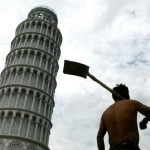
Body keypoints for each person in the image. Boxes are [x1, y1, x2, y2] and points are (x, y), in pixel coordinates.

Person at [97, 84, 150, 150]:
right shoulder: (132, 103)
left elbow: (99, 137)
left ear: (113, 97)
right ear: (127, 94)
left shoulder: (105, 113)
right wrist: (145, 120)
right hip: (129, 147)